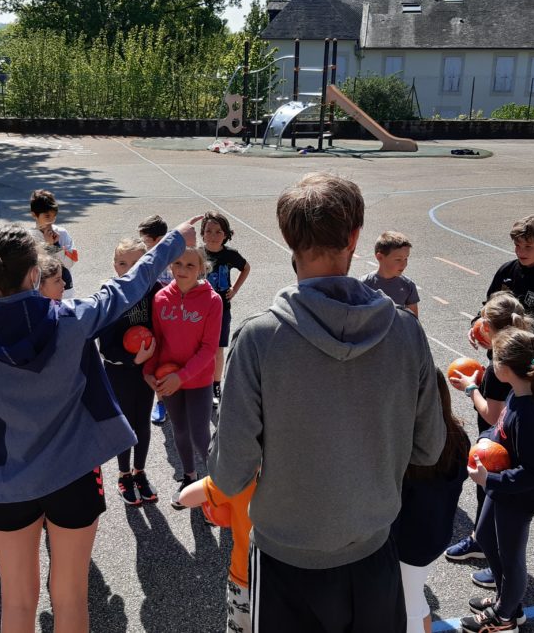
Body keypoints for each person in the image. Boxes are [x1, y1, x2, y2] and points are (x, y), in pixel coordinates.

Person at [0, 215, 201, 633]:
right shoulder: (71, 319)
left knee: (18, 604)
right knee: (71, 597)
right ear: (33, 272)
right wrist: (172, 242)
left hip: (7, 482)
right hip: (74, 474)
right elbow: (128, 286)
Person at [209, 172, 446, 631]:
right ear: (355, 237)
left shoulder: (260, 338)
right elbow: (429, 448)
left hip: (285, 561)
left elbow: (230, 471)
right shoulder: (405, 332)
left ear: (287, 237)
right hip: (373, 552)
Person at [461, 328, 534, 633]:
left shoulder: (529, 412)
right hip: (501, 486)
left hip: (518, 492)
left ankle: (506, 618)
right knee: (486, 537)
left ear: (506, 367)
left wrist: (491, 478)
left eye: (494, 359)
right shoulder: (517, 393)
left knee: (511, 556)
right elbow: (500, 431)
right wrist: (482, 442)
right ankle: (506, 601)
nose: (491, 364)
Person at [445, 293, 534, 583]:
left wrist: (471, 389)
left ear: (489, 326)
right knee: (492, 508)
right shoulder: (519, 350)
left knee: (495, 506)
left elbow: (492, 415)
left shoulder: (501, 368)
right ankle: (487, 548)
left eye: (483, 320)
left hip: (499, 449)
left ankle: (500, 571)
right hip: (506, 443)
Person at [143, 245, 223, 509]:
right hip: (168, 379)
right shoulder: (160, 298)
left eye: (190, 265)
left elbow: (209, 349)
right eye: (178, 264)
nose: (183, 270)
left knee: (200, 432)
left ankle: (217, 485)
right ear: (170, 266)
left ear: (201, 268)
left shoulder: (212, 301)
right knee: (179, 429)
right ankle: (189, 476)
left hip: (197, 379)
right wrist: (149, 372)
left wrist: (184, 375)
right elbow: (158, 339)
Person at [391, 374, 470, 633]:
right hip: (435, 533)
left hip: (407, 542)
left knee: (408, 605)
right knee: (415, 599)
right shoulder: (457, 434)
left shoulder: (408, 445)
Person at [97, 238, 161, 505]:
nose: (129, 268)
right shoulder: (110, 294)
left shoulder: (154, 290)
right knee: (125, 425)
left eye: (136, 263)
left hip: (145, 370)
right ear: (115, 265)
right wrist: (132, 358)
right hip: (119, 371)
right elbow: (105, 347)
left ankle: (140, 472)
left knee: (142, 421)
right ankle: (124, 475)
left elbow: (164, 326)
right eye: (123, 263)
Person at [177, 476, 258, 633]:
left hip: (245, 577)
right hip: (302, 576)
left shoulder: (241, 473)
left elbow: (185, 497)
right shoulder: (310, 475)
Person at [473, 215, 534, 342]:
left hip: (522, 351)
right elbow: (488, 305)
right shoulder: (506, 270)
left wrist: (508, 342)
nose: (521, 252)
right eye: (517, 245)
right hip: (496, 347)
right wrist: (476, 324)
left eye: (528, 246)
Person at [201, 211, 250, 408]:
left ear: (226, 234)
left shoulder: (231, 255)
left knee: (217, 349)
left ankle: (215, 385)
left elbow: (246, 268)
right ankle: (200, 383)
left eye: (218, 231)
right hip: (200, 310)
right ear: (202, 233)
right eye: (208, 231)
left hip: (221, 308)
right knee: (198, 347)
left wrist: (234, 289)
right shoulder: (197, 254)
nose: (213, 235)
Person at [138, 214, 172, 426]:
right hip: (151, 319)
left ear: (157, 240)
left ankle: (178, 400)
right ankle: (161, 403)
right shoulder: (144, 262)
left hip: (171, 319)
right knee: (156, 361)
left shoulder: (172, 261)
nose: (143, 246)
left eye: (145, 242)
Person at [30, 189, 78, 295]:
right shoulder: (30, 238)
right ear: (34, 215)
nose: (51, 220)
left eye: (54, 216)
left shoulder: (62, 233)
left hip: (65, 290)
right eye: (47, 216)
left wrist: (54, 245)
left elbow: (70, 262)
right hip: (41, 292)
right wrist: (47, 246)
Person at [361, 231, 419, 316]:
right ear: (380, 257)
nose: (404, 264)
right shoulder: (364, 284)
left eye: (406, 258)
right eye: (398, 259)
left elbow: (413, 320)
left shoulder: (408, 285)